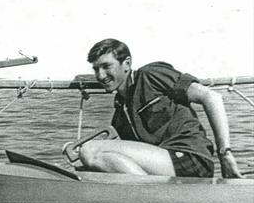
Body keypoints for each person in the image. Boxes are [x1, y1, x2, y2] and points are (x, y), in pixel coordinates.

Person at [78, 38, 242, 178]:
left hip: (190, 158)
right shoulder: (121, 110)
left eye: (107, 66)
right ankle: (154, 197)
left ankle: (153, 196)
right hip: (167, 167)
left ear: (126, 63)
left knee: (89, 150)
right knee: (94, 159)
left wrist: (225, 154)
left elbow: (211, 97)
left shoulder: (150, 75)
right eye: (96, 69)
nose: (100, 75)